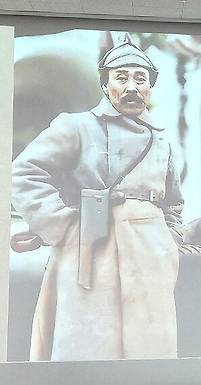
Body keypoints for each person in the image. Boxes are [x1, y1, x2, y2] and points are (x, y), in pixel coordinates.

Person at [12, 38, 184, 361]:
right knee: (86, 349)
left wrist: (168, 243)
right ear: (105, 85)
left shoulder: (162, 144)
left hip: (150, 260)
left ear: (149, 87)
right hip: (90, 249)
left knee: (149, 357)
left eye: (140, 78)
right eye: (121, 78)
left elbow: (173, 204)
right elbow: (24, 173)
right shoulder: (76, 127)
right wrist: (63, 227)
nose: (131, 86)